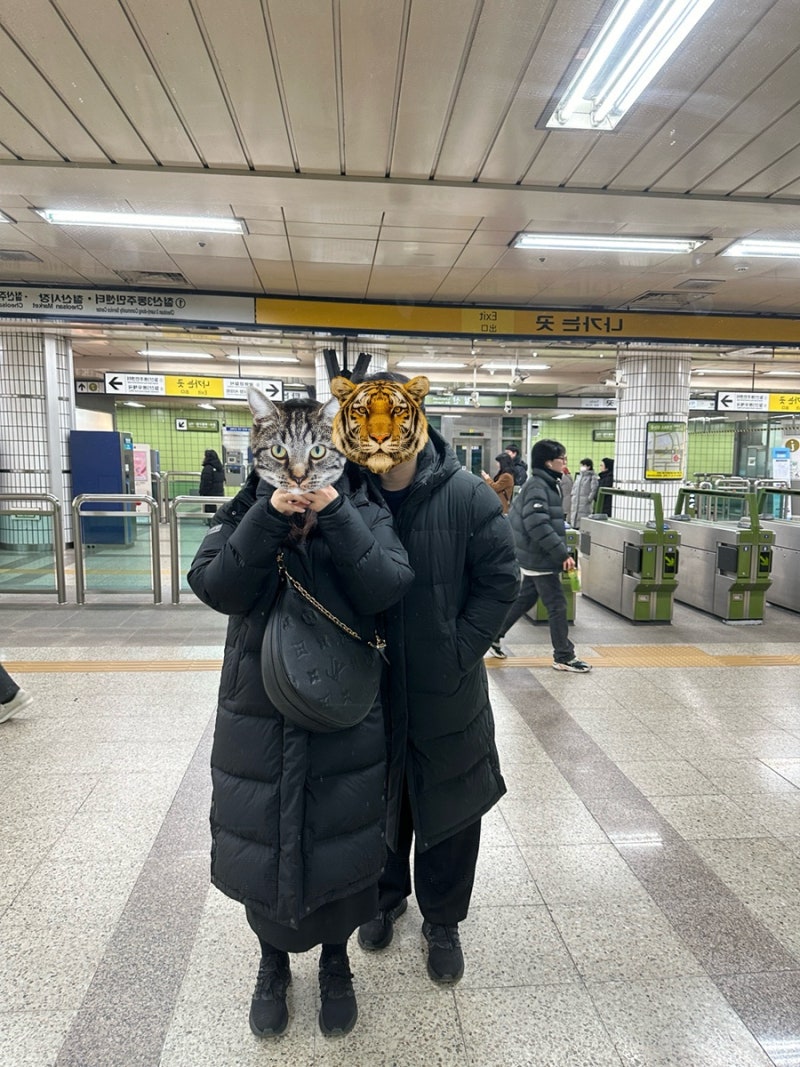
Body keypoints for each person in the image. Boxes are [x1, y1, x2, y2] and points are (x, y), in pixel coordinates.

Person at [188, 394, 414, 1040]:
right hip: (258, 713)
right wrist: (266, 516)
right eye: (280, 456)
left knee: (342, 837)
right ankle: (272, 963)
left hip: (342, 710)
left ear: (339, 449)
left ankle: (338, 962)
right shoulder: (246, 508)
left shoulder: (364, 506)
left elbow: (387, 586)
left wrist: (337, 513)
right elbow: (215, 585)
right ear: (258, 453)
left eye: (314, 455)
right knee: (265, 842)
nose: (297, 471)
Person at [329, 372, 519, 986]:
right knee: (377, 801)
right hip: (369, 688)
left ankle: (443, 919)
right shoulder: (346, 497)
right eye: (365, 422)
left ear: (417, 419)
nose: (379, 434)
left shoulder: (468, 495)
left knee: (451, 805)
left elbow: (500, 582)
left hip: (448, 687)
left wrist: (458, 649)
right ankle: (384, 900)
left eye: (391, 419)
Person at [491, 439, 592, 673]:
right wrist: (561, 553)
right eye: (562, 459)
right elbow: (538, 524)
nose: (565, 463)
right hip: (539, 556)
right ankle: (564, 656)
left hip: (534, 555)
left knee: (525, 599)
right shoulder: (539, 485)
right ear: (548, 462)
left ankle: (492, 636)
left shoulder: (547, 483)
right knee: (557, 605)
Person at [570, 458, 599, 528]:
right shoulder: (579, 476)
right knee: (575, 517)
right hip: (576, 501)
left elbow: (594, 489)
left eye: (583, 465)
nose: (581, 467)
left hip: (585, 502)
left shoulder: (592, 477)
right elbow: (574, 487)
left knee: (583, 520)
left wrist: (589, 499)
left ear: (588, 466)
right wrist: (573, 496)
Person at [199, 448, 225, 514]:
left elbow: (205, 483)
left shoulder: (207, 468)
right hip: (220, 495)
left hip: (210, 495)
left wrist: (201, 492)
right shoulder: (220, 468)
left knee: (209, 513)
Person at [560, 460, 574, 525]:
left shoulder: (563, 478)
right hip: (569, 498)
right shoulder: (569, 477)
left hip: (564, 499)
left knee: (563, 516)